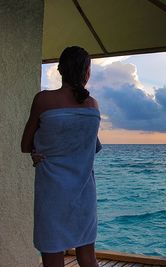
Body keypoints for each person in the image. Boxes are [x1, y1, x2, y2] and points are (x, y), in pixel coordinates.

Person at [21, 46, 102, 267]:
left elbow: (25, 144)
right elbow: (92, 147)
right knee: (87, 257)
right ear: (86, 72)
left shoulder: (43, 100)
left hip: (52, 195)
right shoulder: (93, 106)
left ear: (60, 70)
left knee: (53, 258)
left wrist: (38, 151)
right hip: (84, 193)